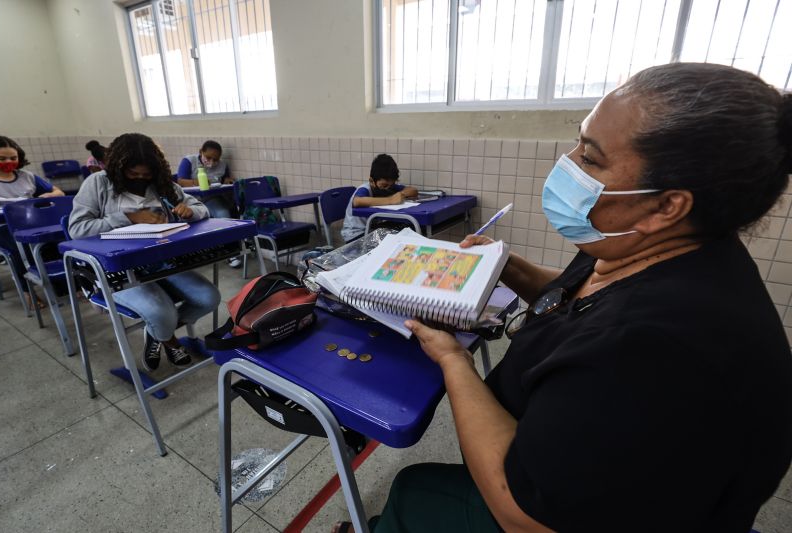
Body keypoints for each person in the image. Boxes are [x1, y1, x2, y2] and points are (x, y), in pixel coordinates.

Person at [335, 63, 792, 533]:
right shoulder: (648, 245)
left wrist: (454, 360)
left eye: (590, 159)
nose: (568, 163)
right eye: (579, 142)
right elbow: (585, 296)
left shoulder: (658, 350)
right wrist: (507, 265)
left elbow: (523, 514)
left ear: (667, 205)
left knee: (414, 491)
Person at [69, 133, 220, 372]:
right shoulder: (97, 184)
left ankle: (157, 333)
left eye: (146, 174)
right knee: (163, 313)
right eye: (133, 174)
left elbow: (200, 207)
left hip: (159, 263)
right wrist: (127, 217)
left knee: (208, 298)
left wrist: (190, 211)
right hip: (114, 271)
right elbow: (77, 229)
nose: (140, 179)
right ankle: (168, 338)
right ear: (119, 167)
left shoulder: (161, 184)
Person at [0, 135, 65, 309]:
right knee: (20, 247)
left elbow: (59, 192)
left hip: (30, 224)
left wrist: (49, 195)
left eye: (13, 158)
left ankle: (64, 285)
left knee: (55, 239)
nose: (9, 162)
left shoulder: (27, 177)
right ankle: (28, 292)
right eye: (2, 158)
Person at [176, 140, 240, 267]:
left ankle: (231, 253)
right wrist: (199, 182)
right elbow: (180, 181)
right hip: (191, 201)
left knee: (224, 215)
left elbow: (225, 179)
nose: (211, 162)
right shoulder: (189, 161)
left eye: (215, 159)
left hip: (211, 199)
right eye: (208, 157)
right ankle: (191, 256)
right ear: (201, 152)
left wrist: (227, 180)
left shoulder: (222, 165)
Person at [340, 154, 418, 243]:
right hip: (356, 235)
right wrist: (390, 200)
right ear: (372, 181)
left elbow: (413, 191)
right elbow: (357, 201)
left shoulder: (389, 186)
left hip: (372, 230)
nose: (388, 188)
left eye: (391, 185)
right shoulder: (365, 189)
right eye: (384, 185)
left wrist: (401, 194)